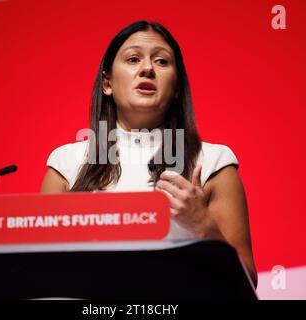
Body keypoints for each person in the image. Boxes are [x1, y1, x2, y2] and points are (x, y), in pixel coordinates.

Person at [40, 21, 257, 287]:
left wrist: (204, 226)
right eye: (133, 59)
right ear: (107, 83)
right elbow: (41, 274)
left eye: (162, 62)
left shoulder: (214, 163)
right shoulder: (66, 164)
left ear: (177, 88)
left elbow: (246, 284)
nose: (147, 69)